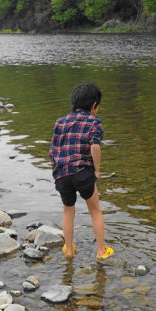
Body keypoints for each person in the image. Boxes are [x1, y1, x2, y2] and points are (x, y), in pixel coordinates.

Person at [49, 82, 113, 259]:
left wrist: (57, 170)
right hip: (83, 173)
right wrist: (97, 171)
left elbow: (53, 150)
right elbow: (95, 146)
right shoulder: (94, 122)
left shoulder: (60, 122)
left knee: (68, 211)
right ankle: (101, 251)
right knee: (95, 211)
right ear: (94, 105)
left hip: (62, 174)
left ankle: (69, 249)